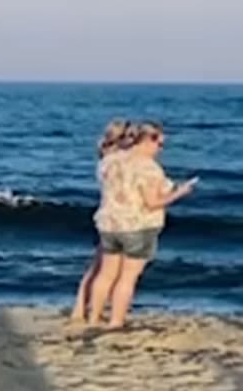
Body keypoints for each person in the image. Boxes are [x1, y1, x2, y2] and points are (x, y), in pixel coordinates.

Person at [84, 120, 199, 328]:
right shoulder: (149, 168)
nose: (160, 149)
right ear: (148, 140)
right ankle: (115, 321)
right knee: (127, 278)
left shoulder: (109, 160)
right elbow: (153, 203)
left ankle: (93, 318)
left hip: (109, 223)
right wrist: (179, 193)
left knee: (105, 274)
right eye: (160, 144)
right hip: (138, 226)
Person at [69, 118, 132, 323]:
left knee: (98, 265)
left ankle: (80, 309)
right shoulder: (117, 161)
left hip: (107, 216)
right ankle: (92, 311)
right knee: (109, 270)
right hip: (117, 218)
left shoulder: (106, 160)